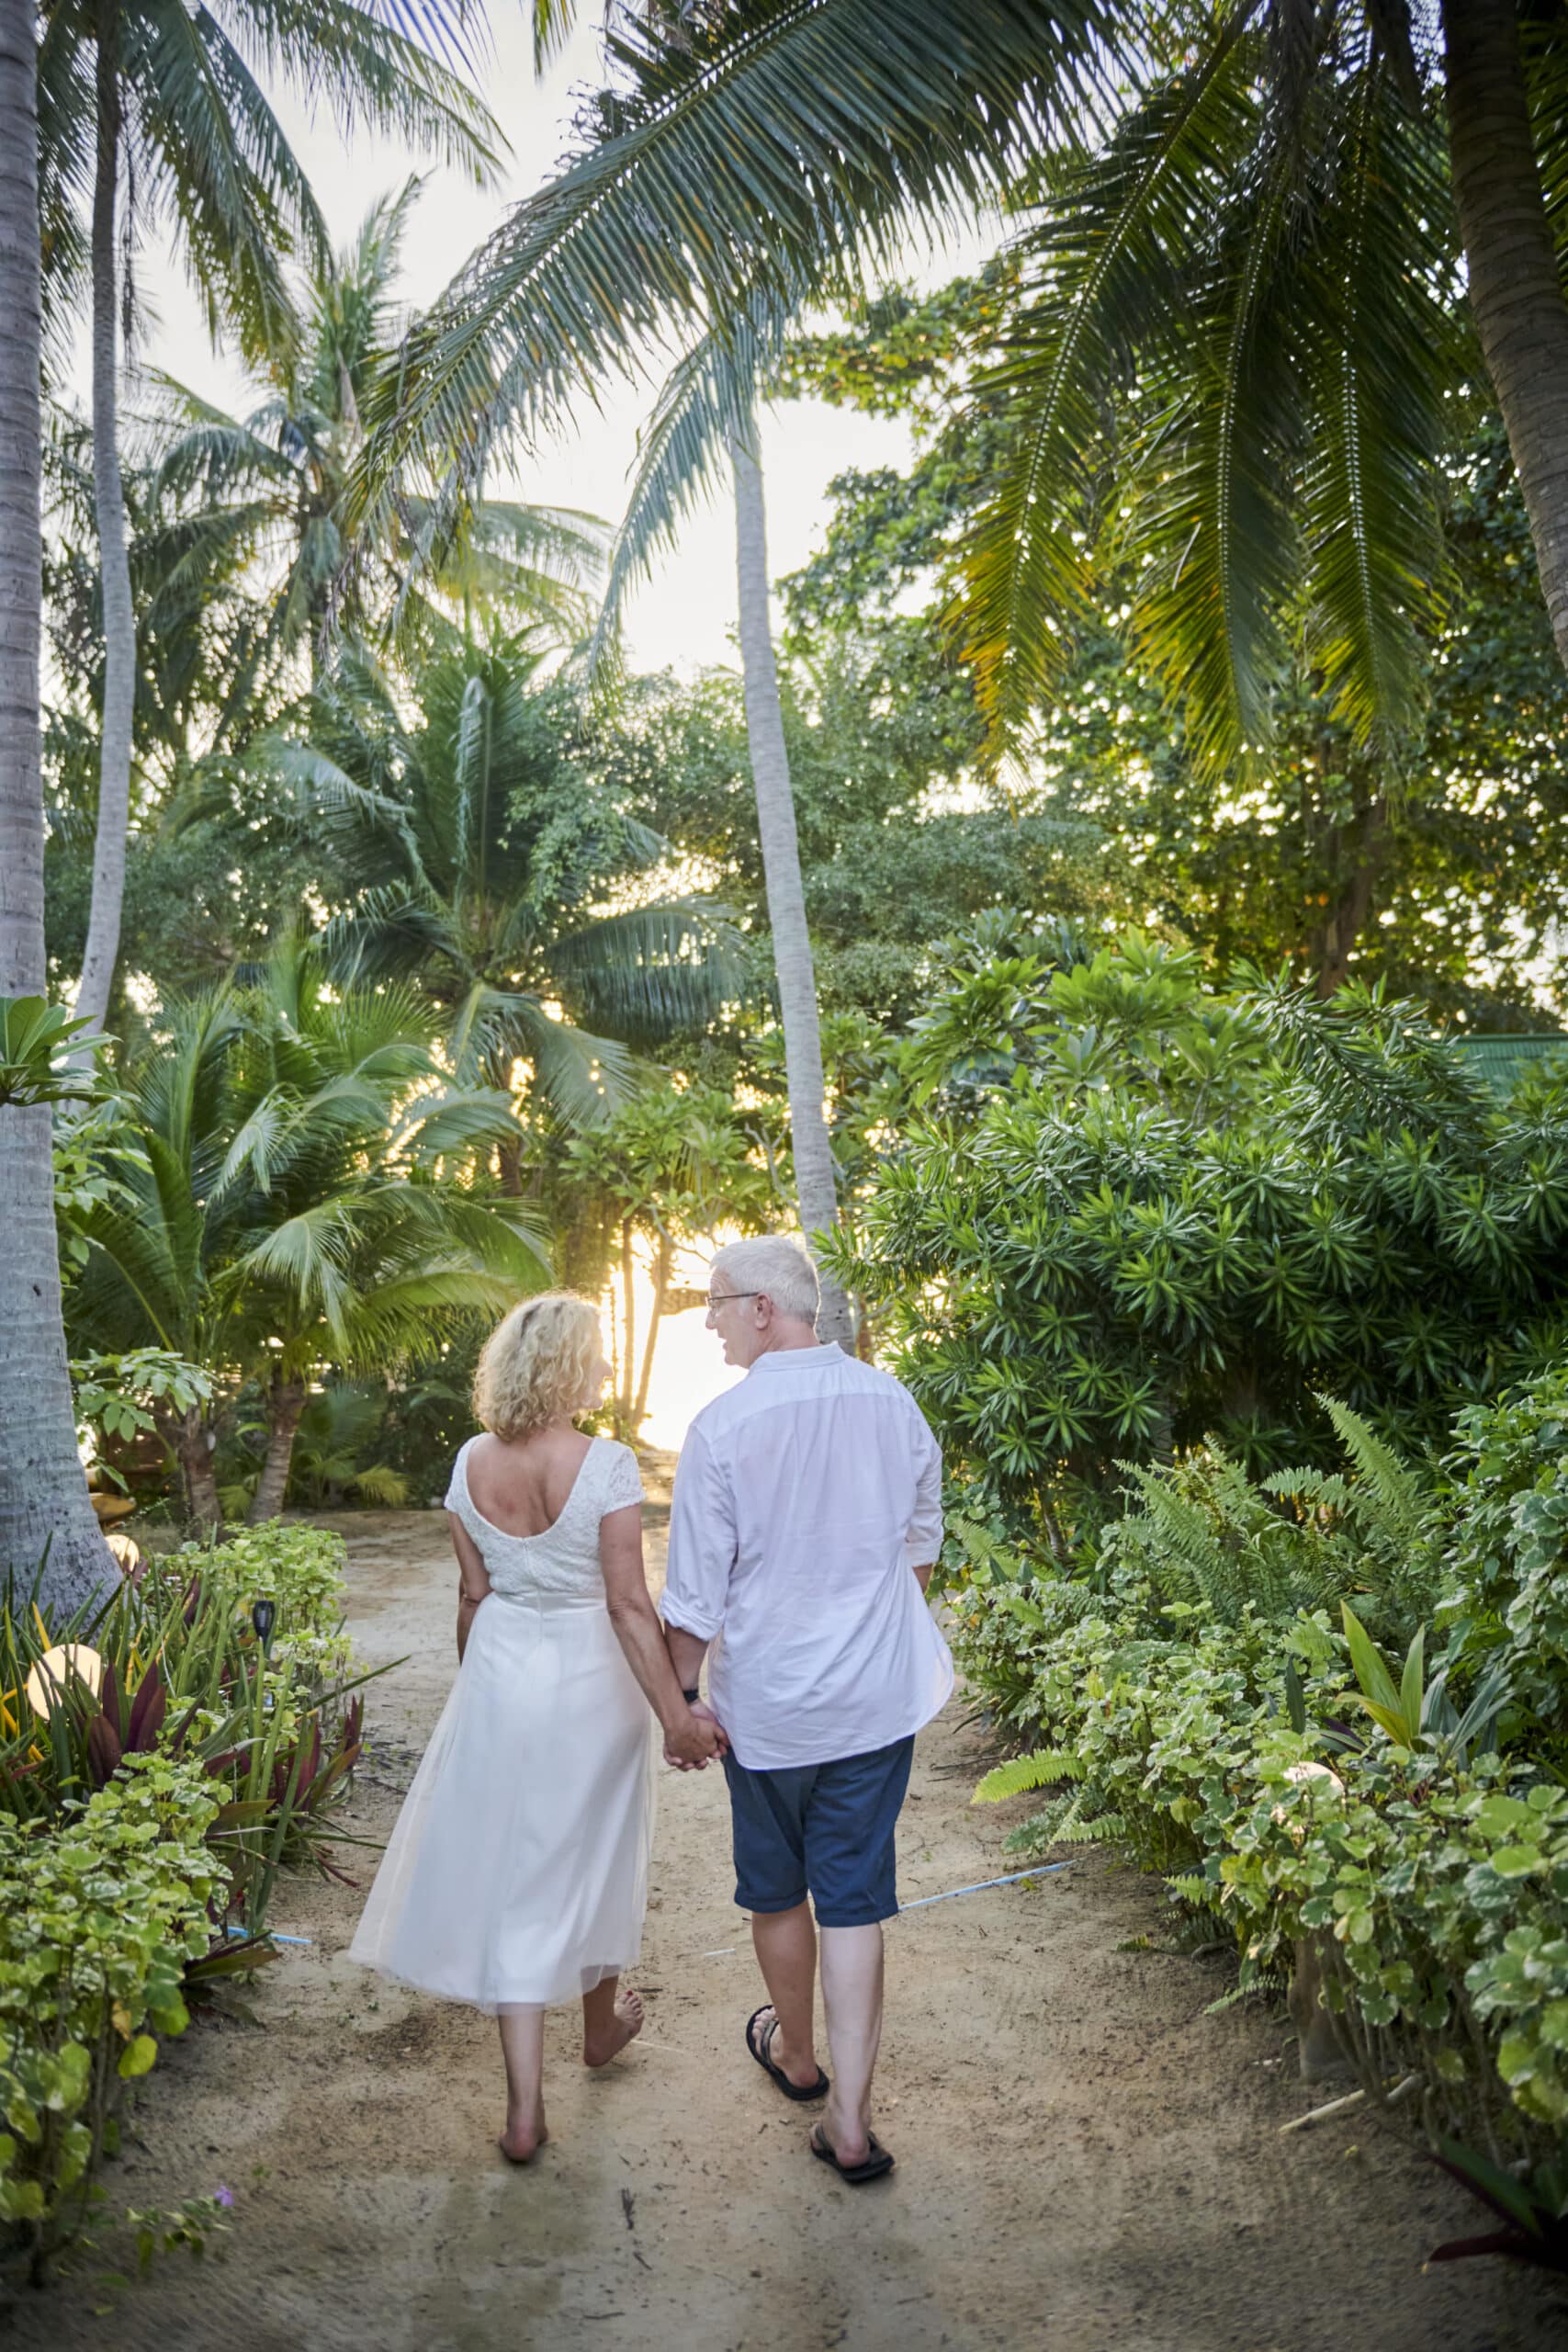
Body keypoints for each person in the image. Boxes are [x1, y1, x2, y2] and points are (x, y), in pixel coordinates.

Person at [348, 1293, 722, 2162]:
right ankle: (581, 2050)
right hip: (592, 1678)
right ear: (567, 1366)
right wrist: (677, 1717)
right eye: (596, 1355)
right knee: (592, 1852)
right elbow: (628, 1606)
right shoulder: (606, 1463)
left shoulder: (471, 1460)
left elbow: (472, 1595)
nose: (605, 1369)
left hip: (502, 1667)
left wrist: (479, 1691)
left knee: (519, 1864)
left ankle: (541, 2091)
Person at [660, 1235, 953, 2185]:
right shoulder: (892, 1400)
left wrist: (682, 1703)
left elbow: (694, 1599)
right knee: (854, 1899)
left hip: (771, 1711)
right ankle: (851, 2123)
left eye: (714, 1303)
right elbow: (918, 1549)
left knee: (778, 1888)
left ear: (762, 1308)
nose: (707, 1323)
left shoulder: (722, 1428)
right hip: (874, 1702)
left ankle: (795, 2056)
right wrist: (857, 1626)